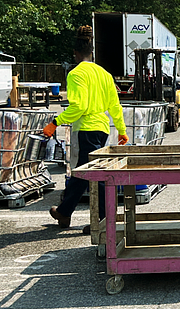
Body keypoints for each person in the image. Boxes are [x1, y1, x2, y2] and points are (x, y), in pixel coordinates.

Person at [44, 26, 128, 233]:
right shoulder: (104, 74)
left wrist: (56, 121)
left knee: (93, 175)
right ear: (92, 52)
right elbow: (115, 105)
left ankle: (103, 222)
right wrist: (121, 129)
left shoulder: (76, 74)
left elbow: (79, 107)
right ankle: (65, 212)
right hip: (102, 129)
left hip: (87, 129)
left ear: (75, 53)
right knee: (83, 173)